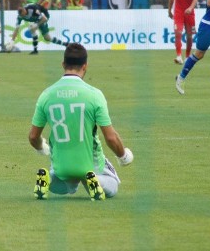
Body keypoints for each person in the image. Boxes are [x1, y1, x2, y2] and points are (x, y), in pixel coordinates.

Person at [29, 43, 134, 200]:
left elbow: (33, 136)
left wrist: (41, 148)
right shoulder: (94, 95)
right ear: (85, 66)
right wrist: (123, 156)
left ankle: (48, 179)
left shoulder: (46, 95)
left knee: (67, 186)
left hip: (61, 164)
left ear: (63, 64)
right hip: (90, 163)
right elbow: (111, 138)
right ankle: (95, 180)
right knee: (112, 186)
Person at [168, 0, 199, 65]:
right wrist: (169, 10)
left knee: (189, 36)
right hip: (178, 12)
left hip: (189, 13)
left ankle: (187, 56)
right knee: (178, 33)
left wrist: (190, 8)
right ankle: (178, 56)